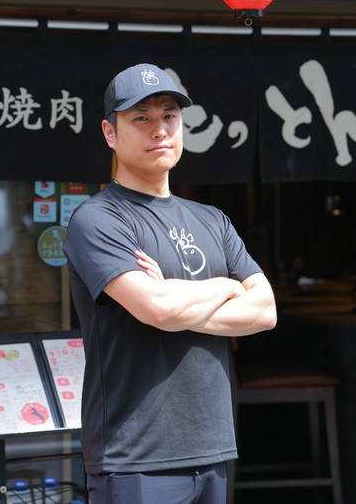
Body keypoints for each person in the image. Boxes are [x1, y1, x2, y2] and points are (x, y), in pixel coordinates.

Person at [63, 63, 277, 504]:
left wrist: (176, 300)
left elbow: (265, 311)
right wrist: (226, 287)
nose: (159, 129)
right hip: (135, 456)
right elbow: (158, 310)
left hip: (213, 447)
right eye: (141, 118)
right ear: (110, 132)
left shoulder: (212, 219)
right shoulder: (98, 219)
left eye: (169, 116)